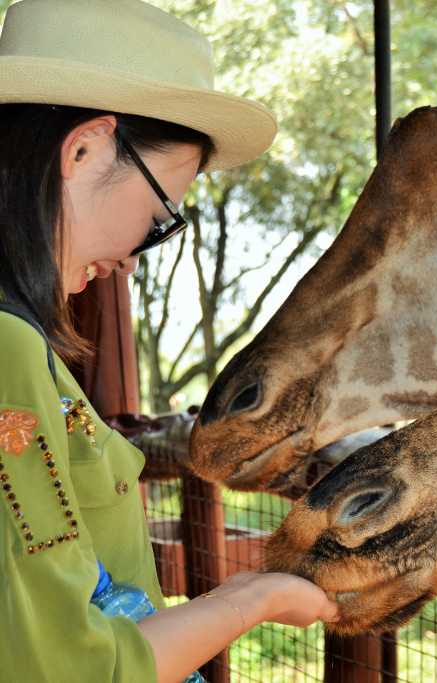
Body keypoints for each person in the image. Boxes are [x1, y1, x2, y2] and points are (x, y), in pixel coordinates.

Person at [0, 1, 339, 681]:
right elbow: (73, 667)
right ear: (84, 148)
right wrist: (254, 595)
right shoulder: (7, 346)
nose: (133, 258)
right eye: (158, 218)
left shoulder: (28, 346)